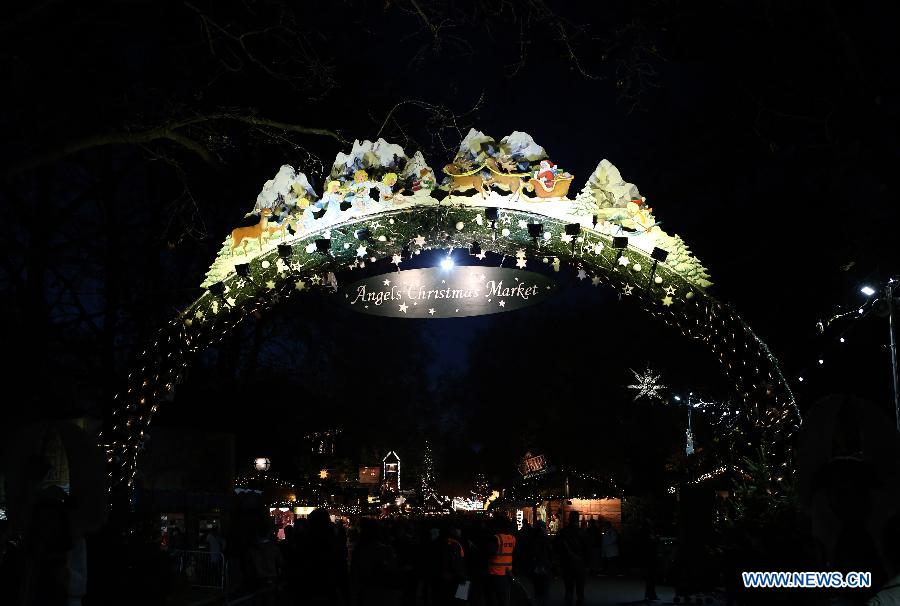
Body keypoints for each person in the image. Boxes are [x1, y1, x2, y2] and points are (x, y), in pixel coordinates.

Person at [555, 511, 589, 606]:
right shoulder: (582, 533)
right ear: (577, 519)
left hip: (566, 564)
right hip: (580, 564)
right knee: (580, 590)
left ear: (569, 519)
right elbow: (587, 550)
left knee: (569, 589)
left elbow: (557, 548)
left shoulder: (562, 533)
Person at [485, 516, 516, 606]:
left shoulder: (496, 538)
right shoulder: (512, 538)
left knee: (493, 598)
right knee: (504, 598)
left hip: (495, 572)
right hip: (507, 572)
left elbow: (488, 553)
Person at [527, 520, 553, 606]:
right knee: (545, 591)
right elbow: (551, 553)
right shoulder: (546, 539)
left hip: (535, 567)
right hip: (545, 566)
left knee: (537, 591)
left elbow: (529, 553)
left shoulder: (531, 539)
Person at [438, 527, 467, 605]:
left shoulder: (448, 542)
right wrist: (461, 575)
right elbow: (456, 562)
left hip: (447, 576)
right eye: (458, 529)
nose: (460, 531)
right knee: (458, 598)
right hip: (454, 577)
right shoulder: (455, 544)